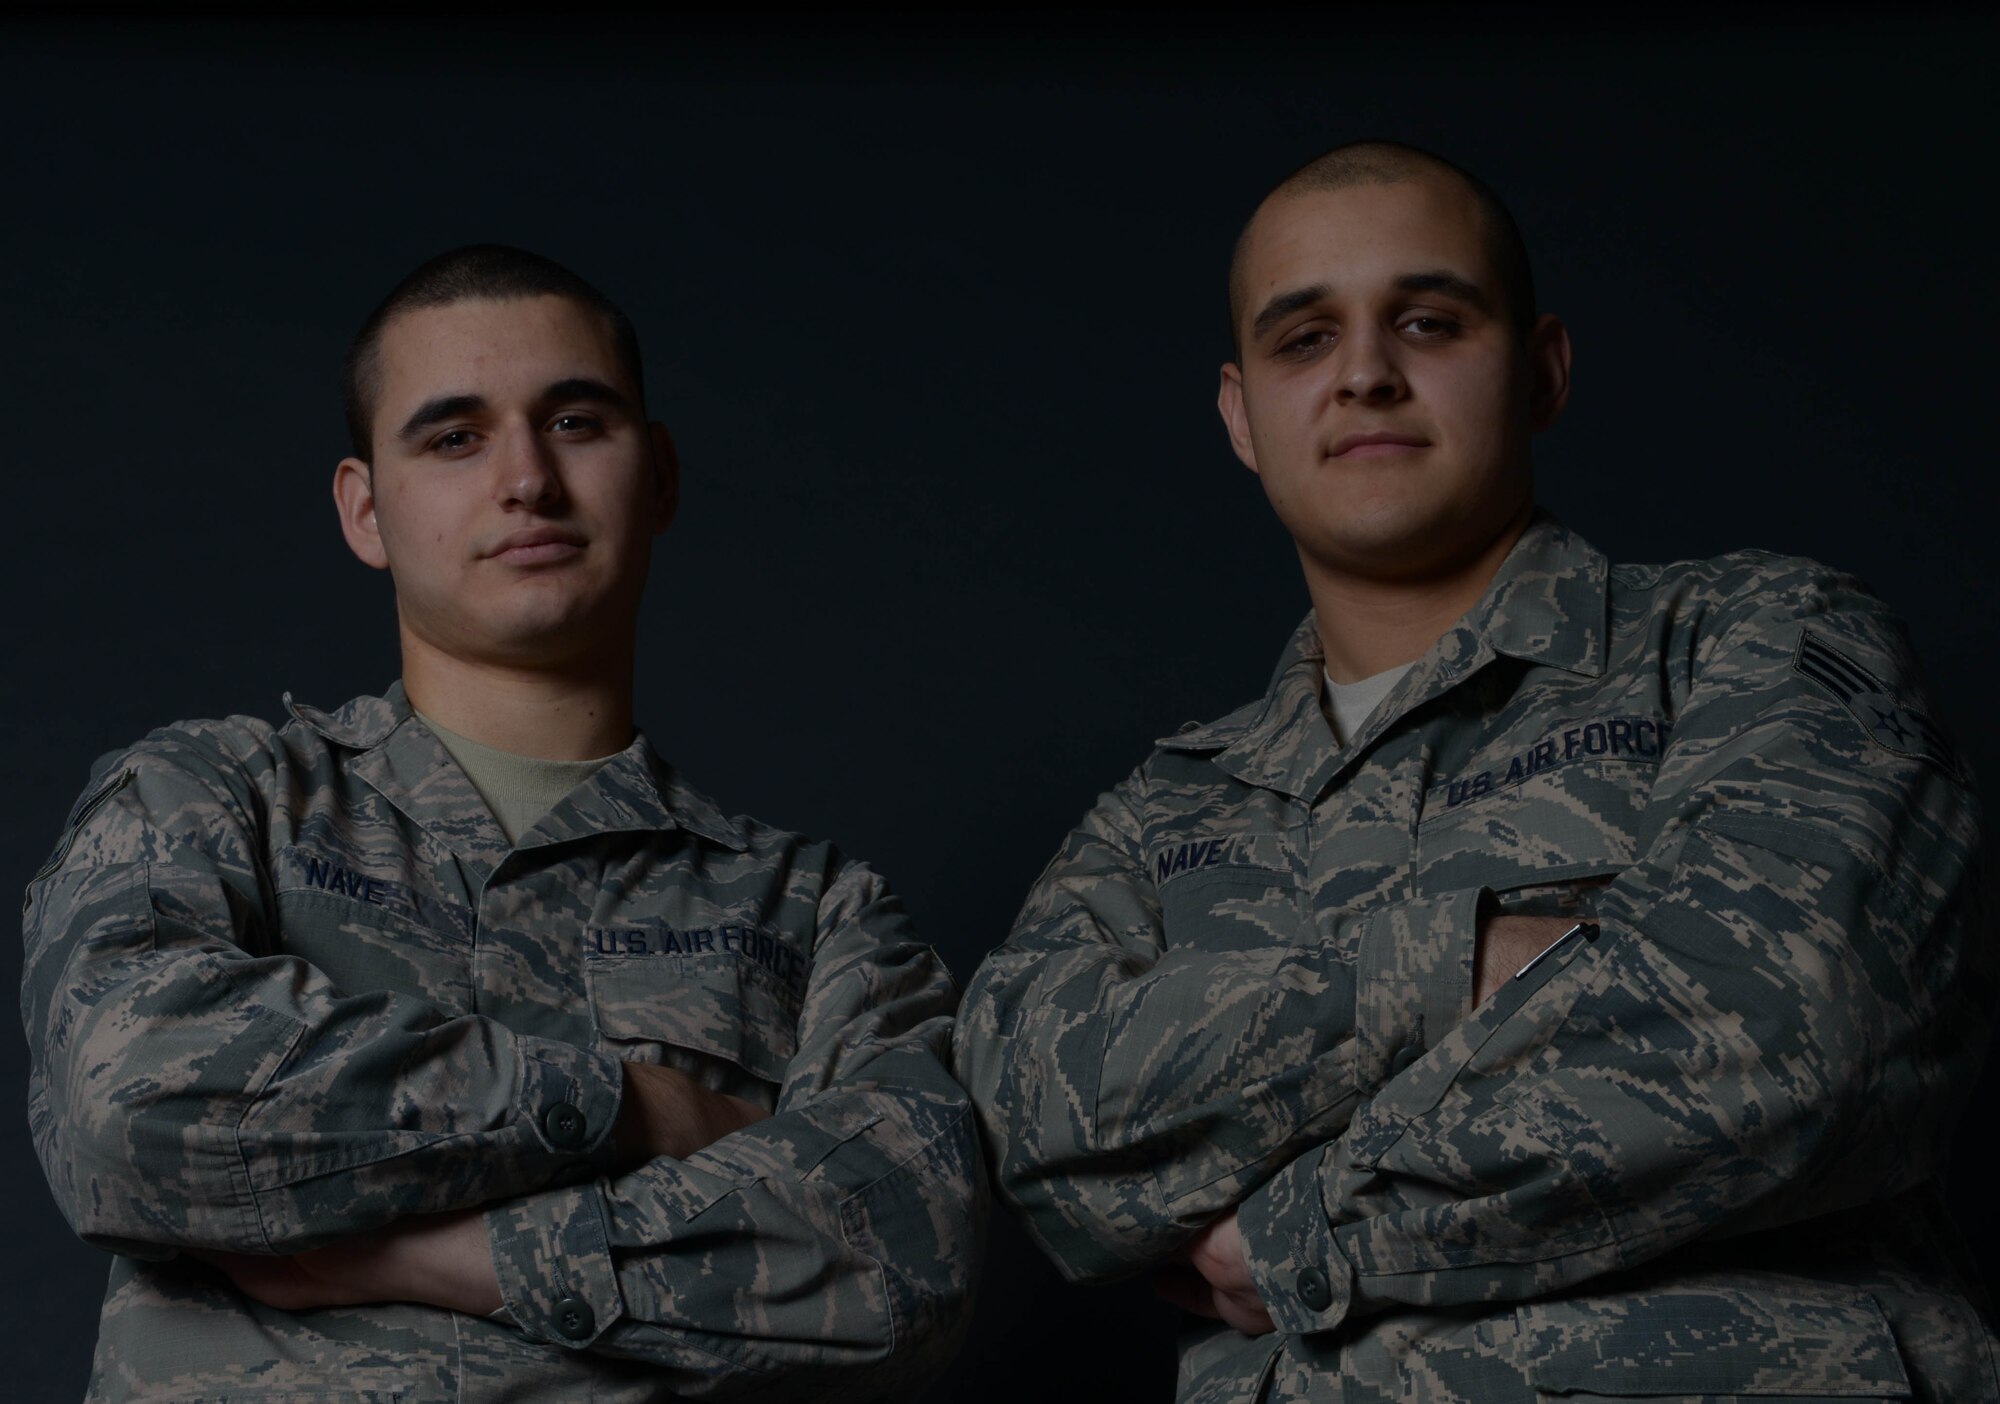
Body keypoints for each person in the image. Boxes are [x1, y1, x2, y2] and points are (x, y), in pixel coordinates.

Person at [955, 142, 1997, 1400]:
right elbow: (1039, 1127)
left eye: (1428, 321)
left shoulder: (1755, 641)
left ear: (1541, 370)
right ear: (1239, 418)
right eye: (1302, 340)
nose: (1362, 375)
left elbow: (1794, 1029)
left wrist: (1296, 1233)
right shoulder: (1165, 815)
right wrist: (1471, 962)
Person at [22, 246, 983, 1403]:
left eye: (576, 421)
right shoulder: (211, 799)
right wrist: (634, 1107)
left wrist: (425, 1257)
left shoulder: (816, 912)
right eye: (454, 437)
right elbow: (131, 1113)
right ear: (366, 510)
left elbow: (905, 1258)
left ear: (660, 474)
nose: (526, 478)